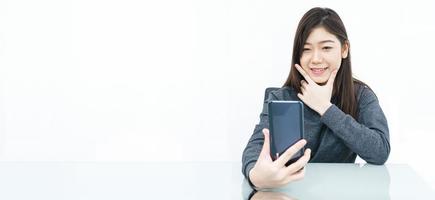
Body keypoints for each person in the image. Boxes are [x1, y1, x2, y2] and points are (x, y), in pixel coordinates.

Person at [241, 7, 390, 189]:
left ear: (344, 49)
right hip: (289, 192)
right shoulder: (281, 97)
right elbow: (254, 149)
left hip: (339, 193)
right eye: (306, 49)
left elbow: (380, 151)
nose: (316, 59)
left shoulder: (361, 96)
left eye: (326, 47)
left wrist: (325, 108)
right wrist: (255, 176)